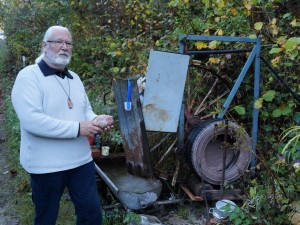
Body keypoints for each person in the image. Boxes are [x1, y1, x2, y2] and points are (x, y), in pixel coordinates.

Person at [11, 25, 113, 225]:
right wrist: (78, 128)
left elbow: (85, 110)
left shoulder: (74, 78)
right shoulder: (28, 77)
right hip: (45, 166)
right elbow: (33, 121)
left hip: (81, 162)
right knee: (46, 218)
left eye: (68, 43)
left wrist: (96, 120)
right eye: (58, 42)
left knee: (92, 215)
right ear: (44, 45)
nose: (64, 47)